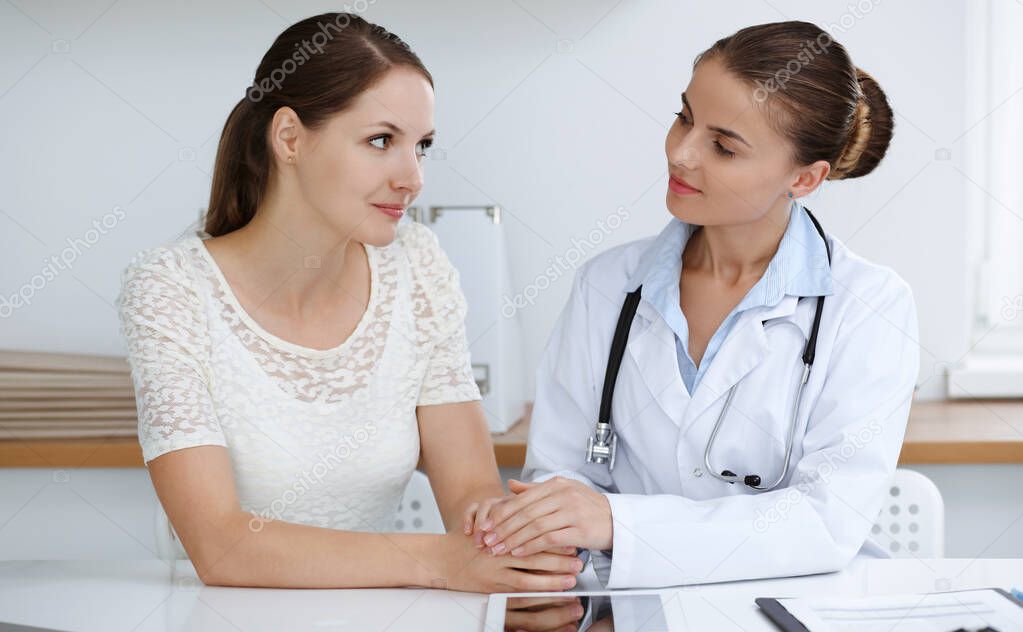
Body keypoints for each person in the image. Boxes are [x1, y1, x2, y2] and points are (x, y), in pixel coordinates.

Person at [117, 12, 580, 592]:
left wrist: (506, 536)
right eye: (381, 141)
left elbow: (470, 495)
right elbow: (222, 546)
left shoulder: (418, 266)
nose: (412, 177)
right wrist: (440, 562)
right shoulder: (171, 289)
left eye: (423, 147)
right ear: (289, 137)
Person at [466, 20, 920, 589]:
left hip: (795, 606)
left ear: (804, 179)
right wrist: (544, 531)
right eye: (684, 116)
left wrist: (618, 523)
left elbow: (825, 521)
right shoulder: (607, 286)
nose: (680, 153)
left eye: (723, 146)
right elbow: (560, 476)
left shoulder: (869, 306)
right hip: (626, 607)